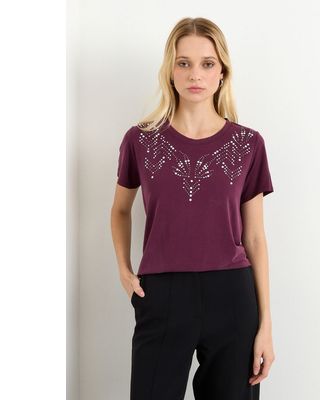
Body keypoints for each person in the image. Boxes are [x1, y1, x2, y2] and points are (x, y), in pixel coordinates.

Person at [110, 16, 275, 400]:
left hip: (232, 296)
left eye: (207, 63)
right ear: (170, 71)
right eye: (183, 63)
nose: (195, 74)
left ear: (222, 73)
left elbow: (254, 236)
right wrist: (124, 270)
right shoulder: (140, 140)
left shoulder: (248, 144)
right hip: (162, 294)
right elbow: (120, 210)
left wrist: (266, 324)